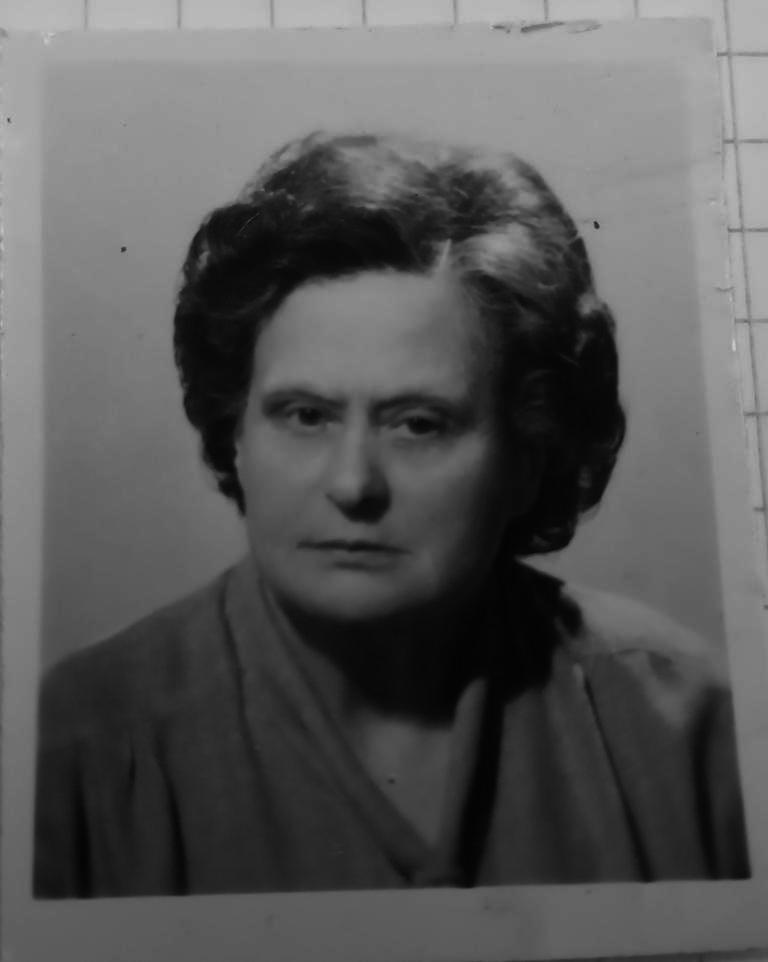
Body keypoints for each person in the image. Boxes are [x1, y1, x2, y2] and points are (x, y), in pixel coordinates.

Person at [34, 132, 750, 898]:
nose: (353, 484)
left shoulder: (690, 729)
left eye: (418, 424)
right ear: (234, 434)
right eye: (305, 415)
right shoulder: (73, 751)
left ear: (528, 454)